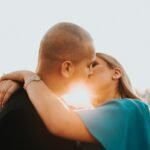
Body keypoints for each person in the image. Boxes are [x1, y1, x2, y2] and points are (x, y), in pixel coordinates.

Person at [0, 52, 150, 150]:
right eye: (85, 67)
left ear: (116, 73)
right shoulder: (84, 117)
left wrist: (27, 76)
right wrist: (17, 84)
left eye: (93, 65)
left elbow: (58, 120)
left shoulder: (131, 108)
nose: (87, 71)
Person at [0, 22, 102, 150]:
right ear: (67, 68)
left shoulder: (55, 109)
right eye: (89, 65)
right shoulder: (21, 114)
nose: (91, 72)